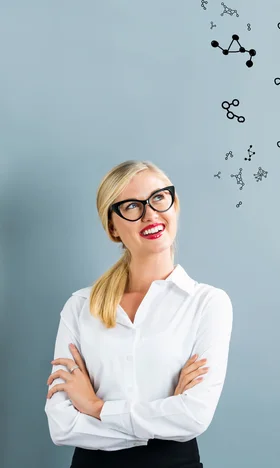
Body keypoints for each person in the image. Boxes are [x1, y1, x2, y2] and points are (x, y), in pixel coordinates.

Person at [44, 160, 233, 468]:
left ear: (175, 205)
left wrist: (94, 406)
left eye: (159, 198)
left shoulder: (208, 303)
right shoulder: (80, 307)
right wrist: (163, 416)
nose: (150, 214)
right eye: (132, 206)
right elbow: (62, 425)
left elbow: (194, 417)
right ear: (112, 227)